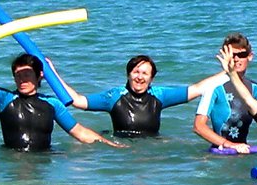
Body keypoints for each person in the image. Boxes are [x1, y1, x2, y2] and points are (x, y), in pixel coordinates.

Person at [0, 51, 122, 152]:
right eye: (17, 75)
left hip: (44, 162)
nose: (22, 79)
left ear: (39, 75)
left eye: (26, 74)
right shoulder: (4, 99)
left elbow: (79, 132)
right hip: (12, 161)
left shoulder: (52, 104)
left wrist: (111, 146)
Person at [66, 54, 226, 137]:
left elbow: (197, 89)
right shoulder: (114, 96)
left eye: (145, 73)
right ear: (128, 74)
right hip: (121, 147)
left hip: (152, 145)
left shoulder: (159, 95)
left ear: (151, 78)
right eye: (135, 72)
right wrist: (52, 73)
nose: (139, 77)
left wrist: (229, 73)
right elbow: (78, 101)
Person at [194, 33, 257, 152]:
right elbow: (198, 126)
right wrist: (229, 145)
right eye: (232, 55)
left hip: (243, 151)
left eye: (241, 55)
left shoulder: (254, 87)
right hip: (219, 154)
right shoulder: (214, 86)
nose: (236, 59)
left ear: (250, 56)